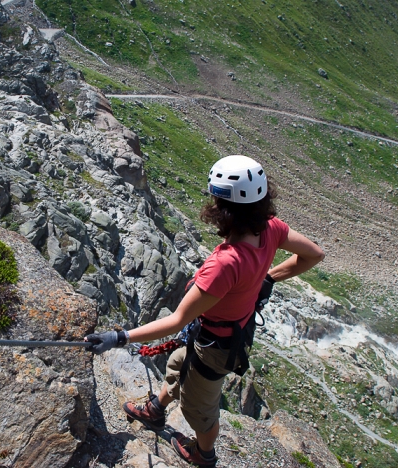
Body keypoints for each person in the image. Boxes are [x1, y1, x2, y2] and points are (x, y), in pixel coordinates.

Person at [85, 155, 325, 468]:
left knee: (199, 410)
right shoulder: (271, 230)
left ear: (225, 210)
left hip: (215, 344)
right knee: (177, 363)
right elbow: (313, 255)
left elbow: (177, 320)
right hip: (224, 334)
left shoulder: (226, 263)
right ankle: (156, 411)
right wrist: (266, 277)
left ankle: (204, 454)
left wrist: (119, 337)